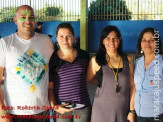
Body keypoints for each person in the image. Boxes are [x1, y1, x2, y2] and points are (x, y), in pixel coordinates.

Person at [0, 5, 54, 122]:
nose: (27, 21)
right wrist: (2, 111)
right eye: (23, 17)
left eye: (31, 17)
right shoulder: (5, 43)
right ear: (15, 20)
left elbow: (55, 71)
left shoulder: (46, 41)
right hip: (15, 112)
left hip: (42, 111)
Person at [87, 25, 136, 122]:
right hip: (101, 109)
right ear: (102, 41)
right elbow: (88, 79)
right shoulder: (96, 60)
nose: (111, 42)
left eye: (115, 38)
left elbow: (132, 86)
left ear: (120, 40)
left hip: (122, 110)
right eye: (107, 38)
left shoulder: (128, 59)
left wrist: (132, 111)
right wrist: (102, 82)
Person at [48, 23, 91, 122]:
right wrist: (55, 107)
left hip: (83, 108)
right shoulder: (53, 59)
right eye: (61, 36)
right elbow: (50, 88)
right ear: (56, 38)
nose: (65, 40)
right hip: (62, 109)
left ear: (73, 37)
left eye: (68, 36)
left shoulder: (84, 55)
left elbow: (89, 78)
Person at [134, 27, 163, 122]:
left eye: (151, 40)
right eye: (144, 40)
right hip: (138, 114)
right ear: (140, 43)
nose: (147, 43)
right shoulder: (136, 63)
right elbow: (133, 88)